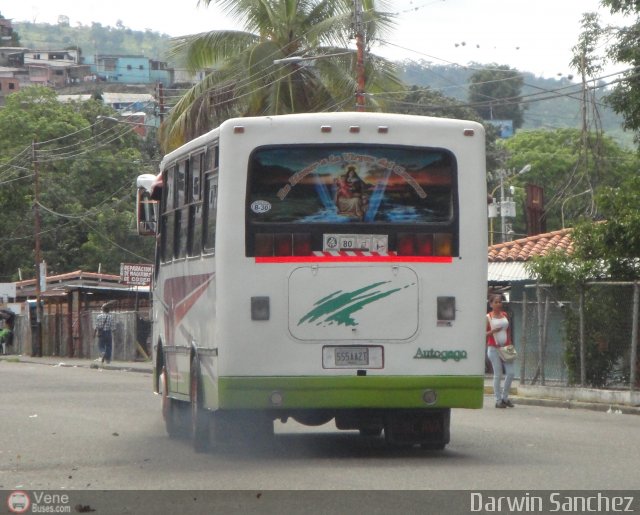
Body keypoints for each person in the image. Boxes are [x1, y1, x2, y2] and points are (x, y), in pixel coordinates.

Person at [486, 294, 515, 408]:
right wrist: (492, 331)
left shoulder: (504, 315)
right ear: (491, 304)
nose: (499, 304)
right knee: (498, 374)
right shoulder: (488, 317)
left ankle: (505, 397)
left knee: (511, 373)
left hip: (506, 347)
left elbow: (507, 331)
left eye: (500, 302)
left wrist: (510, 343)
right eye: (496, 302)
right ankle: (498, 400)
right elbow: (483, 334)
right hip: (493, 348)